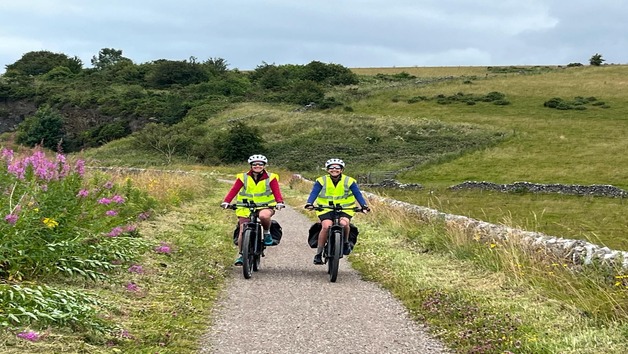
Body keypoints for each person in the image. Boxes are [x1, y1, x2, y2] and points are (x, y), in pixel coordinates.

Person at [221, 154, 285, 266]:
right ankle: (242, 255)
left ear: (264, 166)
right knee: (242, 228)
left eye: (260, 164)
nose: (257, 166)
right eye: (254, 164)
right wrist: (226, 201)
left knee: (264, 216)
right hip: (245, 206)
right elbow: (234, 190)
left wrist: (279, 202)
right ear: (251, 165)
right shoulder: (243, 177)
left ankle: (266, 233)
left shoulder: (271, 177)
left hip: (265, 205)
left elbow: (276, 191)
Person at [304, 158, 370, 265]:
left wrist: (364, 206)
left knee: (344, 224)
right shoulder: (321, 180)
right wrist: (309, 203)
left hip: (345, 209)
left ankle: (345, 243)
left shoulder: (349, 181)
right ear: (327, 170)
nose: (334, 169)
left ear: (342, 170)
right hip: (325, 208)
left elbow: (358, 194)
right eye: (331, 168)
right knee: (326, 226)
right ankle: (318, 254)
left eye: (337, 168)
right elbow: (314, 193)